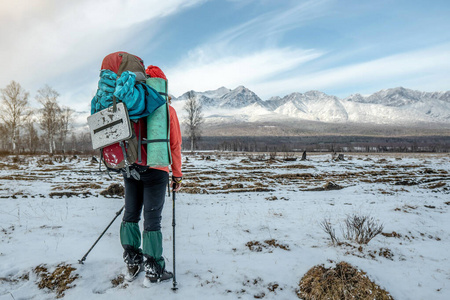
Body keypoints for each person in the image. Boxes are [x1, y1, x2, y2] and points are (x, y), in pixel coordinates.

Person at [120, 66, 182, 284]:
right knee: (152, 220)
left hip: (131, 169)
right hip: (157, 172)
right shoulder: (168, 110)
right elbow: (174, 145)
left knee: (130, 214)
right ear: (163, 87)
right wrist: (177, 175)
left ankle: (132, 262)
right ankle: (154, 269)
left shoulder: (132, 107)